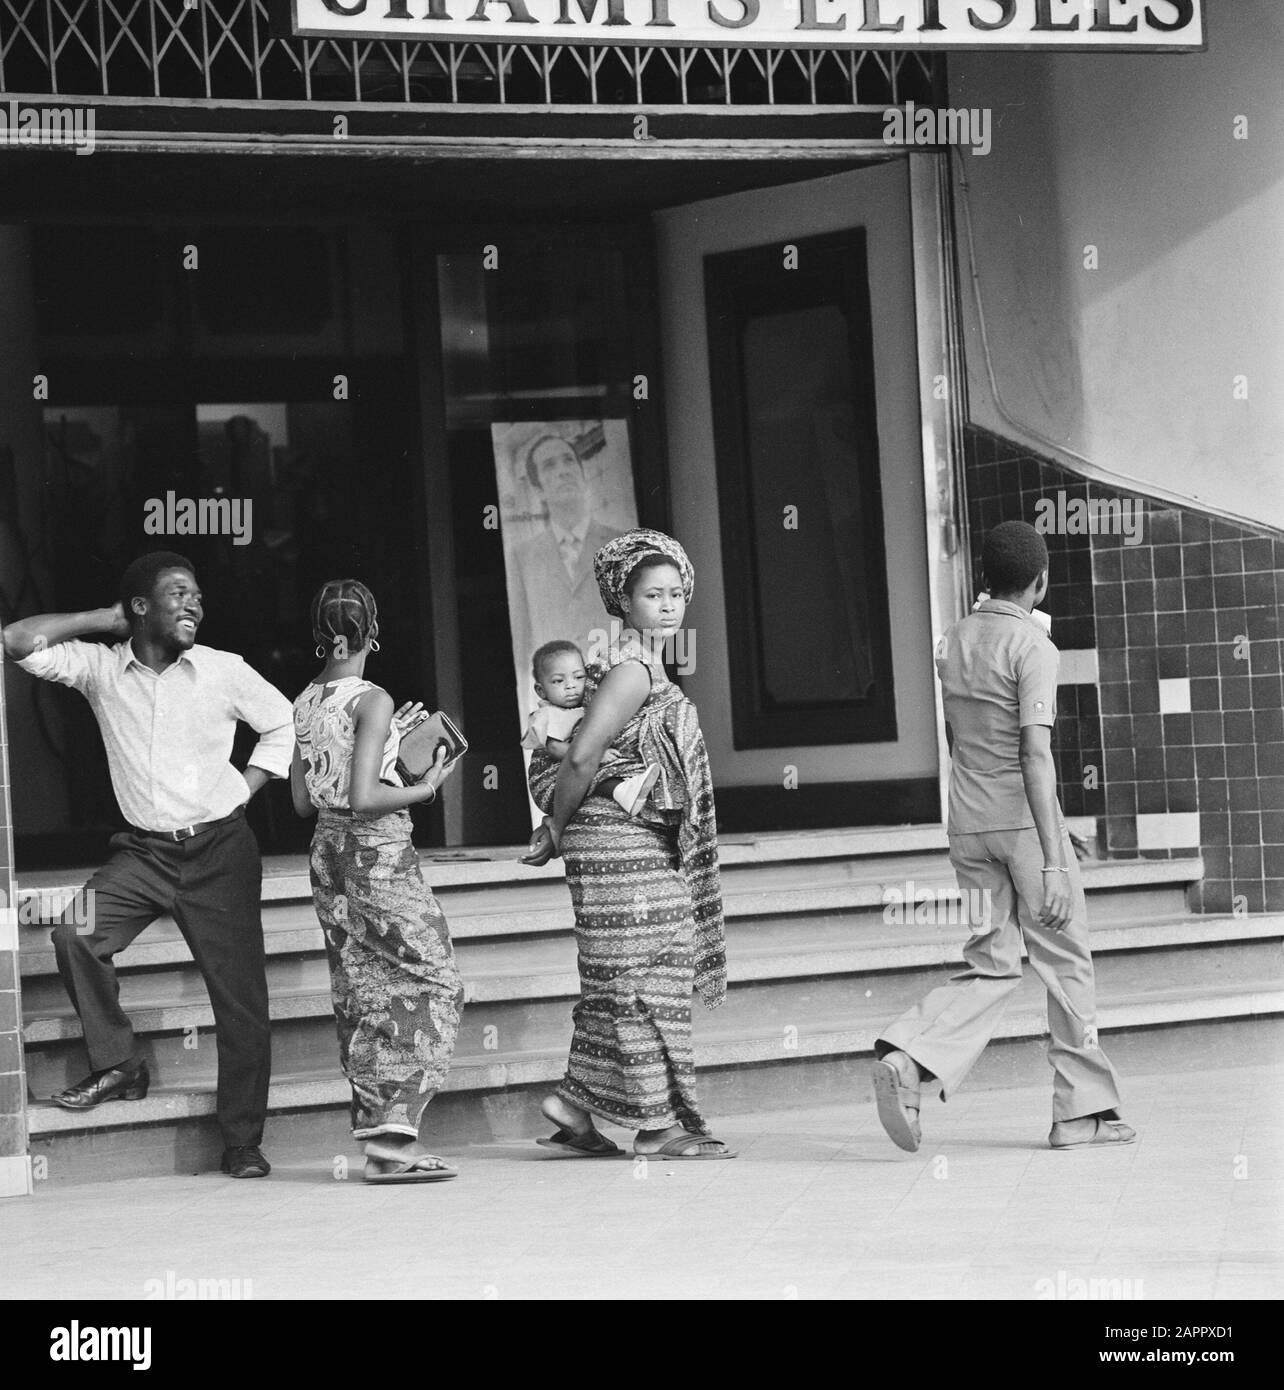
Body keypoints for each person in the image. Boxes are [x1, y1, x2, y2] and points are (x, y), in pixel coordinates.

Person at [2, 552, 292, 1179]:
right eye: (178, 595)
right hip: (140, 854)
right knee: (73, 930)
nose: (195, 606)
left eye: (198, 597)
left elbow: (282, 723)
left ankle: (241, 1140)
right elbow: (17, 639)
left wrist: (243, 789)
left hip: (221, 850)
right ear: (139, 607)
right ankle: (121, 1064)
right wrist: (102, 618)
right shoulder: (100, 669)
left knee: (240, 1001)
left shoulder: (222, 670)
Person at [872, 521, 1135, 1153]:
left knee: (991, 963)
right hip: (1021, 827)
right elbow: (1034, 756)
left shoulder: (952, 642)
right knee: (1066, 963)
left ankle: (910, 1058)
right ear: (1041, 582)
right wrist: (1050, 856)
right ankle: (1079, 1113)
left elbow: (958, 740)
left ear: (983, 579)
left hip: (969, 823)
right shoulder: (1034, 649)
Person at [521, 529, 734, 1160]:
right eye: (652, 595)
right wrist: (553, 829)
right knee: (649, 968)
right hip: (614, 839)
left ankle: (574, 1105)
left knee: (625, 969)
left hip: (627, 837)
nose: (668, 606)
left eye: (676, 594)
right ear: (624, 601)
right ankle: (656, 1127)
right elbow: (583, 755)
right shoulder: (633, 670)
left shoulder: (643, 666)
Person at [291, 579, 465, 1184]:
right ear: (369, 633)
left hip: (327, 853)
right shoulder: (374, 699)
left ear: (323, 637)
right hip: (376, 851)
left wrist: (388, 747)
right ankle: (395, 1135)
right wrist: (426, 785)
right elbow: (367, 797)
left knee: (361, 986)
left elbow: (303, 802)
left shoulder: (305, 702)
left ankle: (382, 1138)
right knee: (436, 980)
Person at [508, 433, 623, 676]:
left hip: (616, 690)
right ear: (538, 489)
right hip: (556, 698)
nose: (563, 471)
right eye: (549, 465)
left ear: (583, 475)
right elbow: (521, 643)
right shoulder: (523, 556)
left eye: (569, 461)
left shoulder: (619, 544)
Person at [521, 638, 660, 816]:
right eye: (557, 681)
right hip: (549, 782)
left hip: (568, 779)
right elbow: (555, 749)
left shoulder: (584, 707)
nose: (570, 685)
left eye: (579, 677)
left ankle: (629, 790)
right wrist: (596, 755)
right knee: (589, 765)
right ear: (541, 690)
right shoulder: (547, 714)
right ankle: (621, 791)